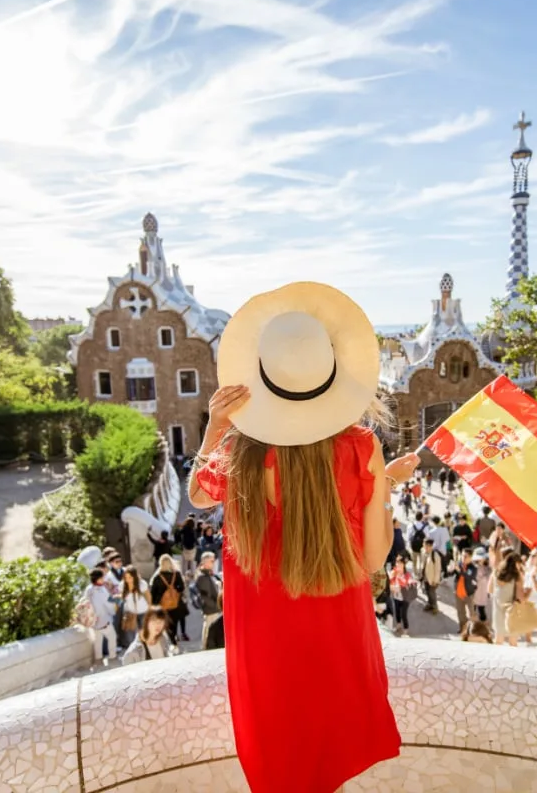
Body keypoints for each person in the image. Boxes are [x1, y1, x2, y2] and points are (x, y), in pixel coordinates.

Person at [187, 281, 421, 793]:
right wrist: (382, 484)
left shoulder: (244, 452)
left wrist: (214, 427)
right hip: (336, 638)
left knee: (283, 770)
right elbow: (373, 557)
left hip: (264, 650)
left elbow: (199, 496)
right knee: (327, 766)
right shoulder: (361, 448)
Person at [488, 553, 524, 647]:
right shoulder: (517, 576)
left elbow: (490, 589)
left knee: (498, 640)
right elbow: (520, 597)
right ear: (516, 563)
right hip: (511, 610)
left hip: (497, 609)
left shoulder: (495, 572)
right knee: (512, 642)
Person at [150, 554, 188, 644]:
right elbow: (182, 588)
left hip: (163, 605)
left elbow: (153, 593)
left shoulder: (158, 577)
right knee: (175, 621)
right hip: (176, 603)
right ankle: (176, 637)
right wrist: (175, 590)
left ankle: (172, 641)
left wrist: (153, 606)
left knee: (167, 624)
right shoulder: (176, 574)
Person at [85, 568, 117, 665]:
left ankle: (98, 658)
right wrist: (115, 606)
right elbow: (108, 603)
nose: (104, 579)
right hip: (103, 619)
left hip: (93, 620)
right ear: (98, 579)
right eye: (102, 577)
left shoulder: (89, 589)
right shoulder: (100, 590)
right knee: (112, 637)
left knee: (98, 640)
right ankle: (112, 656)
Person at [196, 551, 222, 650]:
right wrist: (215, 606)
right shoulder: (202, 576)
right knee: (209, 629)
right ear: (205, 562)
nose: (213, 562)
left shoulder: (208, 574)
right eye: (211, 561)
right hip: (211, 608)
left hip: (213, 607)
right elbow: (204, 596)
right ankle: (206, 648)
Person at [119, 565, 151, 648]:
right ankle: (134, 649)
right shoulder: (122, 585)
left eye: (130, 577)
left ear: (135, 576)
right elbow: (122, 597)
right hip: (130, 613)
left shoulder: (142, 584)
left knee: (144, 632)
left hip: (143, 611)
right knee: (130, 634)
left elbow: (148, 597)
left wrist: (150, 609)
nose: (128, 580)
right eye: (126, 577)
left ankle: (146, 649)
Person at [388, 555, 415, 636]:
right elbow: (391, 582)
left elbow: (408, 582)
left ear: (403, 564)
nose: (397, 564)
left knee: (403, 614)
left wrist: (403, 582)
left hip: (405, 597)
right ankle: (399, 625)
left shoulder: (407, 574)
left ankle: (406, 630)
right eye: (397, 562)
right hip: (396, 596)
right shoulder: (394, 572)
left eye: (399, 562)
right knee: (397, 612)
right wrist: (392, 577)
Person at [452, 548, 477, 633]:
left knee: (471, 613)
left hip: (469, 593)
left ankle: (472, 629)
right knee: (460, 612)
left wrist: (460, 571)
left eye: (465, 556)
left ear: (470, 557)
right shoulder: (459, 564)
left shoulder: (473, 568)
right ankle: (463, 628)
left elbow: (469, 576)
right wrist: (451, 569)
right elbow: (452, 574)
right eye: (462, 556)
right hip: (458, 592)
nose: (463, 558)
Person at [420, 538, 443, 615]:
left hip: (432, 579)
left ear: (430, 546)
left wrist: (435, 581)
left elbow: (438, 570)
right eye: (424, 545)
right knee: (427, 591)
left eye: (426, 546)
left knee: (432, 593)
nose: (424, 547)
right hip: (426, 577)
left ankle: (434, 607)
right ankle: (429, 604)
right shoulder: (423, 552)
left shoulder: (435, 556)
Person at [472, 547, 491, 623]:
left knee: (481, 609)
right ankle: (472, 624)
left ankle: (483, 624)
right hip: (475, 590)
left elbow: (490, 577)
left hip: (483, 591)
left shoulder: (488, 567)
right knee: (472, 607)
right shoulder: (473, 567)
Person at [178, 515, 199, 580]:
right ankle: (192, 574)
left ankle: (183, 574)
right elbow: (195, 539)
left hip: (185, 547)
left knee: (184, 562)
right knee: (192, 561)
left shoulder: (184, 528)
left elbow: (179, 533)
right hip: (192, 548)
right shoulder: (193, 529)